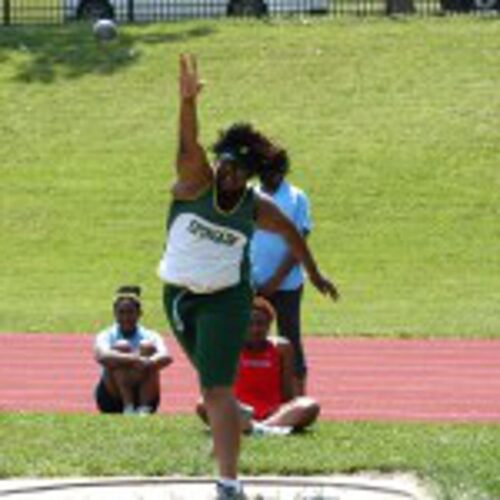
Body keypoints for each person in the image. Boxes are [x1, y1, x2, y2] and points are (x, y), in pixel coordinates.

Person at [158, 54, 339, 500]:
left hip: (227, 299)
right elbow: (187, 142)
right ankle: (236, 418)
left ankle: (229, 484)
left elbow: (294, 234)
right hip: (179, 296)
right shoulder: (194, 181)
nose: (229, 173)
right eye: (225, 164)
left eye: (240, 170)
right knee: (214, 386)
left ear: (250, 176)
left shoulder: (255, 207)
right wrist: (186, 102)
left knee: (216, 388)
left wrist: (313, 273)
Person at [196, 297, 320, 436]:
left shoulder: (282, 348)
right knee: (203, 403)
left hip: (274, 412)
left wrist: (288, 411)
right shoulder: (228, 348)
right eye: (249, 324)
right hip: (239, 411)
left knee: (309, 404)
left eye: (261, 324)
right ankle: (255, 427)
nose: (255, 329)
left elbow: (287, 393)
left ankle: (259, 428)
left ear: (269, 325)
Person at [251, 148, 312, 397]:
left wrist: (275, 280)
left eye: (274, 172)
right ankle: (247, 392)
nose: (269, 177)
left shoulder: (297, 198)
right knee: (247, 337)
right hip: (251, 282)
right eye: (264, 172)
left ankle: (297, 395)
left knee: (290, 337)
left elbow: (300, 240)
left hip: (286, 283)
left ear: (283, 171)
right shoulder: (249, 195)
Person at [94, 286, 172, 415]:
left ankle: (144, 408)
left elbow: (166, 356)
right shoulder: (106, 334)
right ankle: (128, 406)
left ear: (139, 313)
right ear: (115, 314)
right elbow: (101, 356)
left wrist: (148, 362)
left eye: (130, 312)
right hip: (112, 397)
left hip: (144, 391)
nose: (126, 317)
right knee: (121, 348)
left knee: (148, 348)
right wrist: (135, 359)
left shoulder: (151, 335)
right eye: (121, 312)